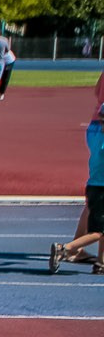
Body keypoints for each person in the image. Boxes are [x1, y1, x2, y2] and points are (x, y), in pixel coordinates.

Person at [47, 97, 104, 274]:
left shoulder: (95, 137)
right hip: (102, 188)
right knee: (98, 232)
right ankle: (65, 248)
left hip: (94, 186)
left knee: (103, 227)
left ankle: (101, 263)